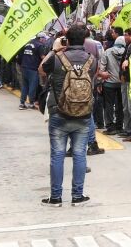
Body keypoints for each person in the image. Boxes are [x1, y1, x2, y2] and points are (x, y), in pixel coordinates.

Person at [40, 25, 98, 207]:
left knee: (57, 155)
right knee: (80, 154)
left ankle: (56, 198)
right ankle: (78, 196)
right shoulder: (92, 59)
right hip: (83, 114)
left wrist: (54, 49)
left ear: (66, 39)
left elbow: (41, 70)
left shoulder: (57, 58)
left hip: (59, 113)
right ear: (85, 40)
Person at [100, 36, 125, 134]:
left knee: (108, 105)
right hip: (122, 83)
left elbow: (102, 68)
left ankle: (110, 126)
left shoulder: (107, 52)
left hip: (109, 83)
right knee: (121, 105)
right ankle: (119, 126)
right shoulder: (126, 52)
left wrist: (100, 81)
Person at [18, 35, 42, 109]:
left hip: (24, 67)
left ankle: (22, 103)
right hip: (33, 68)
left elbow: (20, 56)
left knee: (25, 86)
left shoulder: (26, 44)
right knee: (32, 86)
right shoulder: (39, 45)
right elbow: (42, 57)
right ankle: (31, 103)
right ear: (40, 38)